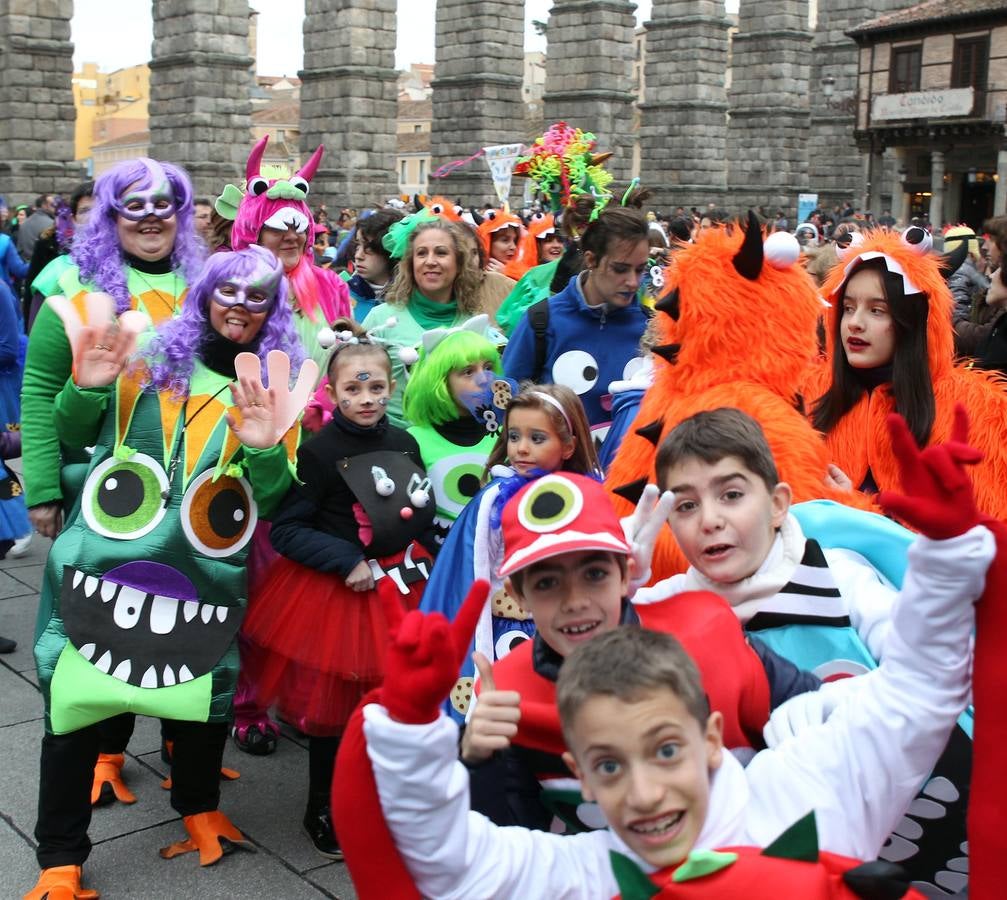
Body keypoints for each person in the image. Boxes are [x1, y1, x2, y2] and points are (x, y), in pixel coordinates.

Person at [332, 410, 997, 899]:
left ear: (709, 736)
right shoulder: (582, 860)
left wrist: (942, 558)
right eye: (610, 764)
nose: (646, 794)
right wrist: (426, 732)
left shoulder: (803, 785)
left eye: (665, 750)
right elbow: (453, 860)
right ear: (581, 773)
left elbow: (912, 694)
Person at [24, 245, 308, 899]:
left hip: (201, 572)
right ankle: (60, 856)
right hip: (106, 560)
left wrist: (265, 448)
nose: (240, 305)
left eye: (257, 295)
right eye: (227, 291)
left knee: (200, 695)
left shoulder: (271, 382)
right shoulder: (147, 353)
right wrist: (85, 385)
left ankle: (199, 808)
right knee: (73, 706)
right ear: (203, 292)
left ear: (273, 308)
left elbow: (270, 498)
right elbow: (74, 426)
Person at [459, 472, 822, 834]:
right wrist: (479, 759)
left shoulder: (708, 631)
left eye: (594, 574)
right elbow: (505, 846)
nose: (575, 602)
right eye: (547, 583)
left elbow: (822, 729)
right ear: (517, 595)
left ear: (625, 573)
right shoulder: (506, 696)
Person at [239, 334, 440, 860]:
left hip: (403, 587)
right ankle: (323, 807)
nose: (367, 396)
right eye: (355, 387)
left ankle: (388, 801)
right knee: (337, 713)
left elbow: (412, 508)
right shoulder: (321, 451)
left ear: (391, 386)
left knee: (398, 703)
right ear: (334, 392)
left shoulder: (405, 442)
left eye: (376, 385)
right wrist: (345, 559)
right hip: (345, 600)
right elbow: (286, 529)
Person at [604, 214, 866, 582]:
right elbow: (802, 535)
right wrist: (848, 504)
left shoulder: (667, 394)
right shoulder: (764, 413)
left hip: (645, 603)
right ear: (783, 316)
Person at [22, 158, 203, 543]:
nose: (150, 216)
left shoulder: (208, 288)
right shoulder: (74, 289)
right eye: (134, 206)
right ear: (111, 217)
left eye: (162, 204)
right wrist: (42, 491)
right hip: (105, 480)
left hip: (194, 482)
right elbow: (39, 391)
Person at [421, 384, 604, 723]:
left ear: (568, 445)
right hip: (506, 630)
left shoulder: (587, 497)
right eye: (514, 436)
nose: (521, 448)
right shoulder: (492, 500)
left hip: (573, 623)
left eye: (537, 438)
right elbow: (466, 570)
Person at [808, 227, 1007, 520]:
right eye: (848, 308)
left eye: (877, 311)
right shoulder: (807, 396)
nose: (855, 323)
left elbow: (979, 538)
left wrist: (853, 510)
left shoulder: (977, 412)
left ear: (911, 322)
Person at [502, 205, 651, 431]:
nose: (632, 281)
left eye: (640, 270)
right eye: (620, 269)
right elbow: (508, 402)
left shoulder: (653, 329)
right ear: (591, 260)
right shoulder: (542, 320)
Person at [230, 136, 351, 376]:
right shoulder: (228, 286)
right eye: (278, 229)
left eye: (298, 228)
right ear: (253, 233)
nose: (291, 237)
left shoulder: (330, 284)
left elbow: (348, 358)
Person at [360, 213, 485, 427]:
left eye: (441, 253)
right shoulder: (381, 320)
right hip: (394, 444)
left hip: (453, 447)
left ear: (459, 263)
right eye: (421, 253)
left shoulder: (474, 325)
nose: (430, 261)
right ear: (410, 264)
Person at [402, 317, 503, 535]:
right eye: (468, 372)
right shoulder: (413, 441)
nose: (484, 378)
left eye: (488, 367)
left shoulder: (507, 434)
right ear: (440, 383)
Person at [24, 183, 95, 330]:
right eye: (85, 211)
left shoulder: (134, 263)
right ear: (73, 219)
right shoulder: (53, 269)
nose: (94, 218)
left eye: (102, 210)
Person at [347, 207, 405, 321]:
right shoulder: (342, 293)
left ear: (390, 250)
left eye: (369, 248)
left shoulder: (412, 300)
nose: (358, 255)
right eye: (358, 245)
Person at [17, 193, 56, 262]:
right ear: (44, 205)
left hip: (27, 268)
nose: (55, 207)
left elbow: (19, 250)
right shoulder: (52, 224)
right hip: (44, 268)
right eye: (53, 204)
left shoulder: (23, 224)